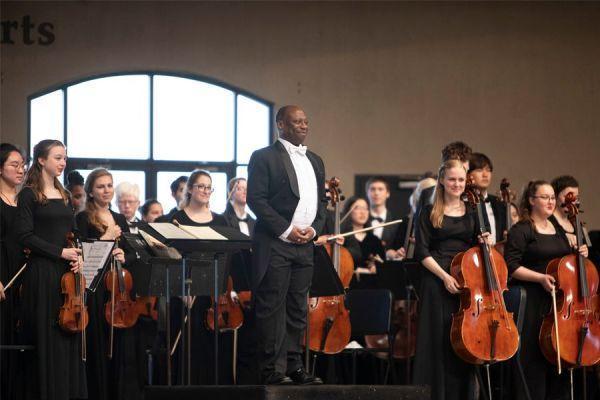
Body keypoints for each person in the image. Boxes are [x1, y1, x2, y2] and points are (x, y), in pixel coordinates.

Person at [247, 105, 327, 385]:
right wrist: (286, 230)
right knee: (272, 307)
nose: (304, 126)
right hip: (276, 243)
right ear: (280, 124)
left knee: (297, 308)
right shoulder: (263, 157)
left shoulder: (315, 160)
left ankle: (294, 366)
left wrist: (314, 229)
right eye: (297, 122)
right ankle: (271, 369)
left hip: (305, 245)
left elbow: (322, 203)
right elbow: (256, 200)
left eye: (306, 121)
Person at [15, 139, 87, 400]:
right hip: (43, 272)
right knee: (48, 337)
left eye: (64, 158)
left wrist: (78, 255)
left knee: (68, 334)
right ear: (42, 160)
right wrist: (59, 252)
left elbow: (74, 233)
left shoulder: (65, 195)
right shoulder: (29, 194)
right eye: (58, 157)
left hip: (66, 274)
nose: (63, 162)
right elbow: (25, 236)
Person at [504, 180, 588, 400]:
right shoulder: (522, 229)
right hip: (533, 301)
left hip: (558, 303)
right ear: (532, 200)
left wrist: (580, 252)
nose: (551, 202)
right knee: (534, 360)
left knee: (557, 360)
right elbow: (511, 266)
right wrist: (539, 278)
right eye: (545, 197)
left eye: (552, 197)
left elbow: (565, 263)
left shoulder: (557, 228)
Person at [413, 159, 479, 400]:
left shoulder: (473, 211)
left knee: (463, 339)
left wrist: (486, 242)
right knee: (438, 339)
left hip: (465, 281)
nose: (457, 184)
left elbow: (478, 249)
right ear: (442, 180)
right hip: (436, 280)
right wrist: (444, 277)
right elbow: (422, 252)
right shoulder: (428, 211)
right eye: (452, 179)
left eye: (461, 180)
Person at [75, 168, 143, 400]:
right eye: (101, 186)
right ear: (90, 192)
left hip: (116, 290)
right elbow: (84, 257)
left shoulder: (120, 218)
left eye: (109, 185)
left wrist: (125, 256)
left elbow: (133, 253)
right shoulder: (83, 218)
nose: (106, 190)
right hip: (95, 289)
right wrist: (107, 237)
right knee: (98, 346)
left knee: (118, 350)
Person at [168, 169, 231, 384]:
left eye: (209, 187)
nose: (205, 190)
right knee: (186, 349)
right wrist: (180, 292)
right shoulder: (176, 219)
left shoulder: (221, 221)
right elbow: (170, 257)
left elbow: (227, 259)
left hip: (212, 295)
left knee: (211, 350)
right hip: (184, 293)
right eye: (201, 186)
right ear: (190, 189)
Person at [0, 143, 26, 400]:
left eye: (23, 166)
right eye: (14, 165)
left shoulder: (25, 202)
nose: (20, 170)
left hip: (23, 275)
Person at [341, 196, 385, 286]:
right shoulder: (341, 238)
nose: (363, 212)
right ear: (348, 211)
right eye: (357, 208)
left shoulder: (375, 240)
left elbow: (383, 266)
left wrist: (377, 267)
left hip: (371, 286)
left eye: (365, 208)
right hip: (347, 285)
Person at [468, 152, 507, 244]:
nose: (485, 174)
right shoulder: (464, 203)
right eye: (479, 170)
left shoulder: (499, 203)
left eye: (488, 170)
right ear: (468, 174)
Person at [365, 176, 405, 260]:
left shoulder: (397, 222)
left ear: (387, 193)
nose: (376, 193)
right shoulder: (360, 222)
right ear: (367, 193)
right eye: (372, 189)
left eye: (380, 189)